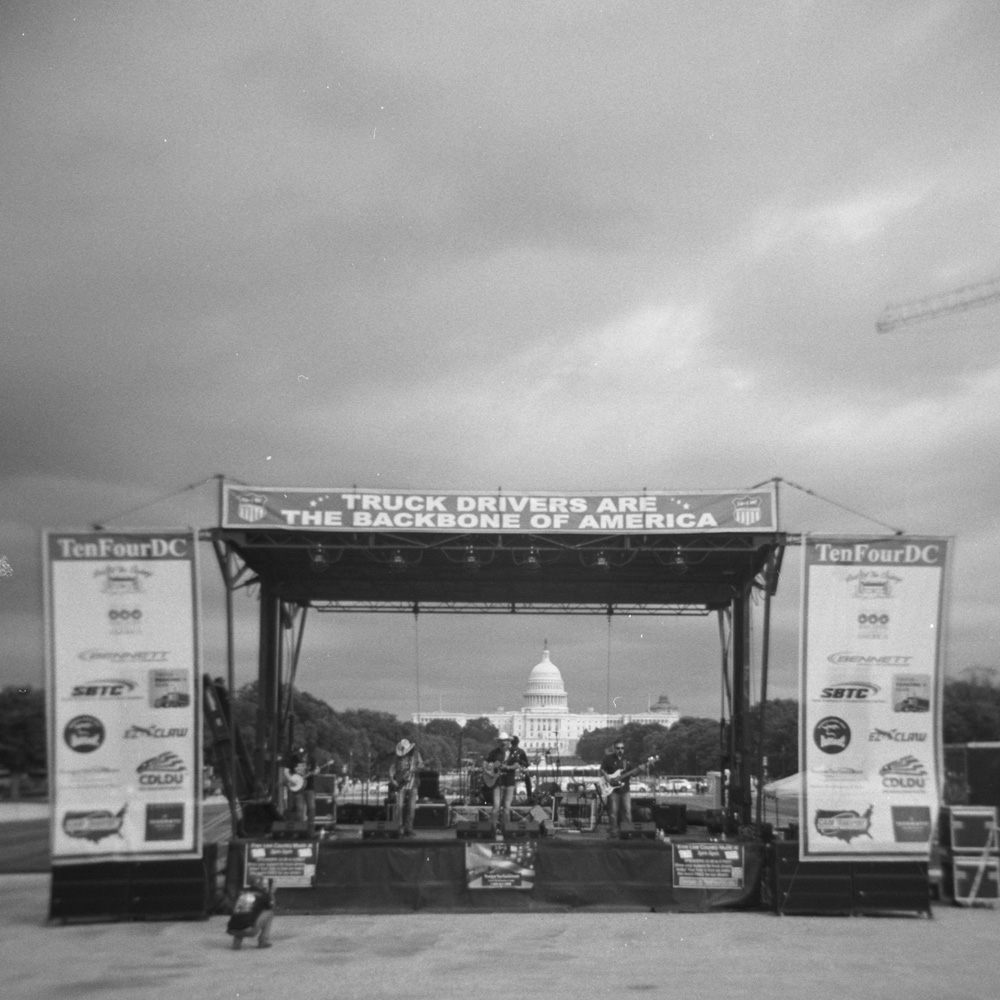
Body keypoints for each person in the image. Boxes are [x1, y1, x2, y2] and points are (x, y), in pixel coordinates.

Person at [226, 875, 275, 950]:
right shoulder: (263, 894)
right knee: (269, 913)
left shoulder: (241, 892)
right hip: (249, 931)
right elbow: (271, 906)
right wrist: (271, 892)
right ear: (261, 884)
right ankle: (263, 941)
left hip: (231, 929)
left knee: (243, 912)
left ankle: (236, 943)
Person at [484, 732, 518, 837]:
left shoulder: (514, 753)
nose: (503, 744)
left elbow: (516, 764)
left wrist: (508, 768)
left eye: (505, 741)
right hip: (497, 782)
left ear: (509, 742)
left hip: (509, 782)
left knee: (507, 807)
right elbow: (485, 764)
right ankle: (491, 830)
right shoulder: (494, 753)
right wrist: (490, 770)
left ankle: (506, 830)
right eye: (501, 742)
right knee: (496, 807)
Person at [388, 738, 422, 837]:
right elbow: (392, 768)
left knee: (411, 808)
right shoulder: (397, 756)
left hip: (413, 785)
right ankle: (399, 829)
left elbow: (422, 765)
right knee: (398, 807)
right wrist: (392, 780)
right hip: (400, 785)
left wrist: (419, 767)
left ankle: (408, 828)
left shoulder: (416, 755)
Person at [599, 740, 633, 838]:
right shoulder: (608, 758)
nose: (620, 750)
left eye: (622, 748)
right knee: (613, 812)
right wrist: (608, 778)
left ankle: (628, 832)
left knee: (627, 811)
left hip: (625, 790)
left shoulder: (627, 760)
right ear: (614, 749)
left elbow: (633, 772)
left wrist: (641, 769)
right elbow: (602, 769)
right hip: (613, 790)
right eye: (618, 748)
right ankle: (613, 833)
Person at [281, 744, 314, 831]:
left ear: (306, 754)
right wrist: (290, 779)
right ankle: (300, 829)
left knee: (311, 807)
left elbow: (315, 770)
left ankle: (310, 829)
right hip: (297, 789)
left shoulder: (311, 759)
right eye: (299, 754)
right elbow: (286, 771)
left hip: (309, 787)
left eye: (302, 754)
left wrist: (315, 772)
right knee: (299, 808)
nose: (300, 756)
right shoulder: (293, 759)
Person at [509, 735, 533, 804]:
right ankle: (511, 798)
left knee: (527, 777)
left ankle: (529, 796)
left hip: (520, 771)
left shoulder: (521, 752)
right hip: (510, 771)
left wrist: (519, 760)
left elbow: (526, 764)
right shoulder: (508, 751)